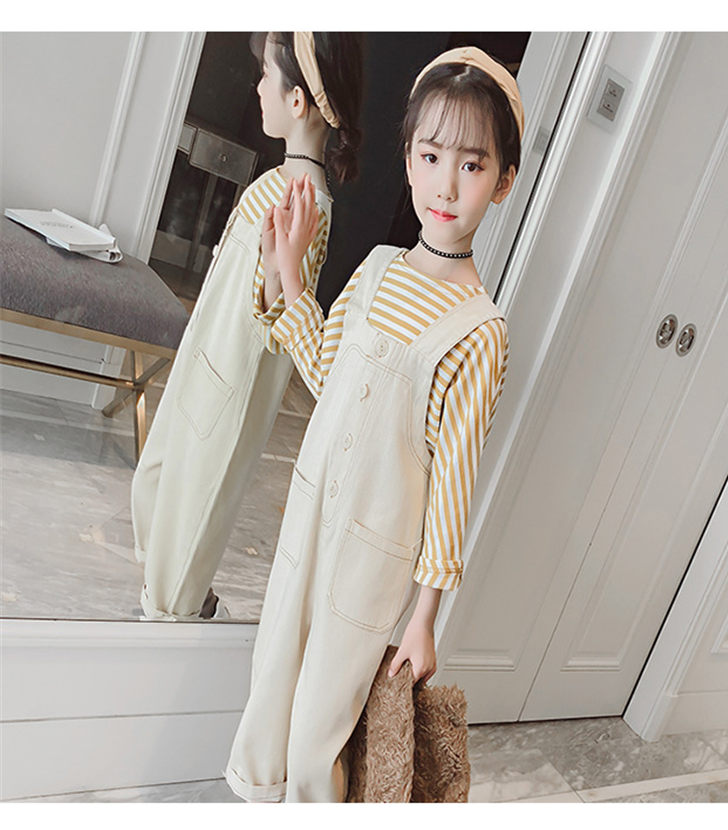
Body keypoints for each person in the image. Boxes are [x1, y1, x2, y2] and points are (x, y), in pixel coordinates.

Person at [225, 45, 523, 802]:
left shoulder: (480, 331)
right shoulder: (378, 268)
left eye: (472, 165)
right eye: (431, 156)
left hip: (375, 557)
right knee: (272, 685)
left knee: (320, 729)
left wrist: (425, 618)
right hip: (308, 516)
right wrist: (288, 272)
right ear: (409, 157)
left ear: (504, 180)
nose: (446, 184)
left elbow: (454, 484)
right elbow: (326, 375)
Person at [130, 32, 363, 620]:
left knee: (186, 528)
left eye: (266, 76)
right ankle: (176, 617)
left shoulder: (306, 203)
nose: (258, 87)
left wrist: (277, 272)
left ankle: (176, 626)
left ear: (297, 101)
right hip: (205, 364)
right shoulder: (278, 183)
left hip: (229, 388)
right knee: (157, 492)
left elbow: (278, 319)